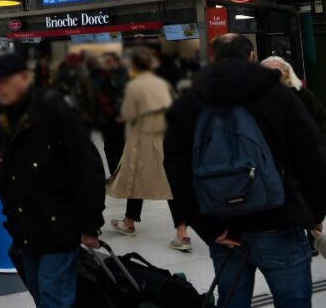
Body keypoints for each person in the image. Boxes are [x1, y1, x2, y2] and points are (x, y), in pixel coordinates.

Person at [164, 34, 326, 308]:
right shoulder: (279, 96)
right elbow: (310, 156)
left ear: (213, 58)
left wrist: (206, 227)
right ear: (251, 56)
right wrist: (313, 213)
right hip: (279, 221)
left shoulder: (188, 102)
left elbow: (175, 167)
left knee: (232, 301)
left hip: (222, 227)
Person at [0, 54, 105, 308]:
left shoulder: (55, 109)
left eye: (5, 81)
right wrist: (10, 212)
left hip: (59, 225)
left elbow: (87, 167)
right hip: (25, 227)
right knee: (41, 294)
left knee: (53, 298)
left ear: (25, 78)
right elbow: (1, 171)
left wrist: (90, 224)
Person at [106, 48, 190, 251]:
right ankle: (182, 232)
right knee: (169, 182)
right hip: (166, 135)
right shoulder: (163, 84)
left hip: (142, 138)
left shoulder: (134, 86)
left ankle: (129, 222)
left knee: (135, 176)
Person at [262, 55, 326, 139]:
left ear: (286, 73)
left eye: (276, 71)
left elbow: (321, 120)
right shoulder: (259, 98)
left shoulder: (302, 94)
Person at [93, 53, 127, 178]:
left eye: (109, 61)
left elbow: (122, 93)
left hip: (118, 117)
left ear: (114, 62)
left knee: (119, 145)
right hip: (106, 118)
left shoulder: (121, 74)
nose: (106, 64)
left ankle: (121, 172)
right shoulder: (100, 76)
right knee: (109, 146)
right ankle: (115, 173)